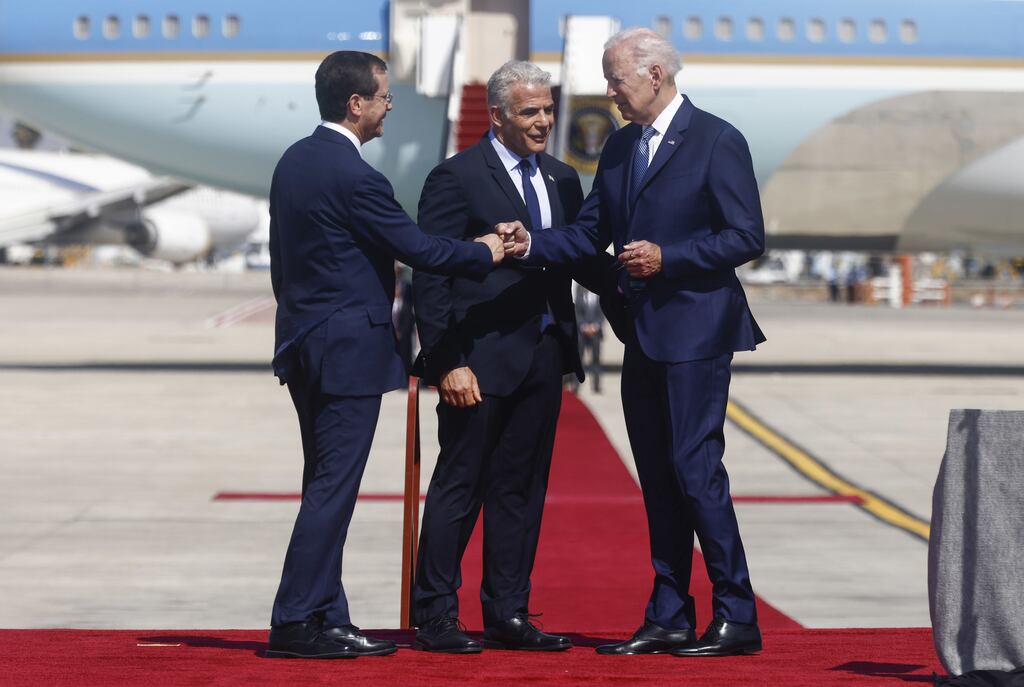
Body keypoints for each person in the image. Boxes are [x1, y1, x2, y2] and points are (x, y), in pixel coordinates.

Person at [498, 28, 767, 657]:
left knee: (696, 472)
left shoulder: (716, 139)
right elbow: (591, 232)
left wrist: (668, 257)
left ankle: (738, 613)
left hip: (699, 329)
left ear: (654, 74)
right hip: (644, 334)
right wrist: (529, 244)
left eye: (615, 78)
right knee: (657, 476)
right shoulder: (621, 147)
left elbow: (745, 236)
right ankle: (670, 612)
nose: (609, 91)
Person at [266, 50, 505, 660]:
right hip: (348, 348)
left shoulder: (294, 161)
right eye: (384, 95)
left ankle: (326, 614)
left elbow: (281, 264)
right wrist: (486, 251)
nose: (390, 105)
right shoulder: (356, 177)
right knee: (332, 488)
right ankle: (295, 623)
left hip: (305, 340)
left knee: (323, 482)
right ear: (356, 103)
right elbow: (420, 249)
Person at [410, 60, 617, 653]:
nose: (544, 122)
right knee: (460, 485)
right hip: (477, 359)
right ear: (497, 115)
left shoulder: (561, 179)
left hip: (544, 356)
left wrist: (635, 280)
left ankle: (508, 613)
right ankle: (436, 615)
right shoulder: (455, 178)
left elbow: (577, 256)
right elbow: (432, 278)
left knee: (521, 491)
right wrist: (446, 360)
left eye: (548, 110)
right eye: (530, 112)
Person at [573, 282, 605, 393]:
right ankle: (576, 385)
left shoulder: (600, 293)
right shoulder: (580, 290)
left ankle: (596, 385)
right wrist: (584, 326)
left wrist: (595, 326)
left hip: (596, 333)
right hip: (582, 332)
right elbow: (577, 311)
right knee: (579, 359)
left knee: (596, 359)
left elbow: (602, 313)